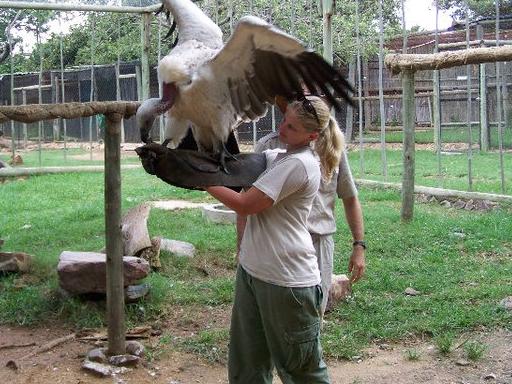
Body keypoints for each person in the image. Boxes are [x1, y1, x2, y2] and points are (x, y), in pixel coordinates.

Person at [204, 95, 340, 383]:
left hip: (287, 282)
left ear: (312, 136)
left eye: (291, 127)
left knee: (302, 372)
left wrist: (201, 179)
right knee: (247, 368)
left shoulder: (300, 164)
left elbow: (246, 204)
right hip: (253, 272)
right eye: (283, 121)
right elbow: (245, 165)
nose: (281, 130)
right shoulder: (280, 157)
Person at [242, 96, 366, 315]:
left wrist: (359, 246)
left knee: (310, 314)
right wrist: (241, 245)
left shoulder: (331, 149)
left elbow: (349, 197)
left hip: (318, 242)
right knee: (272, 314)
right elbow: (248, 200)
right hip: (276, 244)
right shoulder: (268, 146)